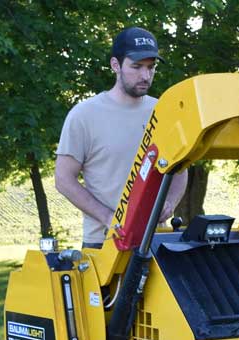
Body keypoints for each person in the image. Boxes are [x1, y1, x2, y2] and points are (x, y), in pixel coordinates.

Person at [55, 27, 187, 248]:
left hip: (157, 242)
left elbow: (181, 169)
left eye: (150, 67)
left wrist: (170, 202)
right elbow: (63, 179)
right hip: (104, 244)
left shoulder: (164, 112)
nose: (145, 76)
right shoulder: (84, 115)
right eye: (136, 67)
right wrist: (109, 217)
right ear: (115, 65)